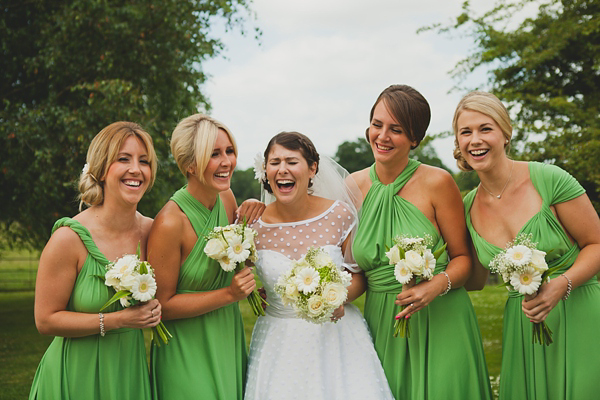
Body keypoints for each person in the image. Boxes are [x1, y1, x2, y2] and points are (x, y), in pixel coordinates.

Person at [455, 91, 600, 399]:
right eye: (465, 132)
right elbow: (475, 281)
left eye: (485, 129)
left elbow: (596, 244)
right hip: (523, 327)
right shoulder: (466, 207)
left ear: (505, 134)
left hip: (581, 316)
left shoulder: (549, 179)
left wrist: (562, 284)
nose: (475, 140)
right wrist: (419, 268)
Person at [351, 85, 492, 399]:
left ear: (415, 139)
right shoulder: (352, 186)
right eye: (377, 125)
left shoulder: (438, 182)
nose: (383, 136)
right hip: (383, 322)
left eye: (396, 129)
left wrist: (434, 286)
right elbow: (353, 270)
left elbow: (462, 259)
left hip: (443, 316)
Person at [243, 132, 394, 400]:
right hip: (278, 341)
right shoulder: (252, 224)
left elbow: (358, 276)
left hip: (336, 337)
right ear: (265, 171)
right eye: (274, 162)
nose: (282, 170)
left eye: (292, 161)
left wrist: (339, 298)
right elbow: (238, 276)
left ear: (312, 168)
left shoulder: (339, 214)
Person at [29, 122, 162, 400]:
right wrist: (118, 320)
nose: (136, 169)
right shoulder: (68, 238)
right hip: (76, 376)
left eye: (144, 161)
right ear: (101, 169)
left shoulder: (154, 232)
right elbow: (45, 320)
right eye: (123, 159)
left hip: (129, 375)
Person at [148, 114, 264, 399]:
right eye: (214, 154)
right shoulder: (170, 223)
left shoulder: (226, 198)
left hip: (226, 334)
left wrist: (248, 225)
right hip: (186, 347)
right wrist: (229, 294)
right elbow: (161, 305)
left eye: (229, 151)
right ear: (189, 164)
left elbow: (235, 262)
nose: (227, 162)